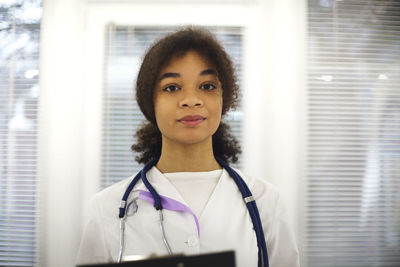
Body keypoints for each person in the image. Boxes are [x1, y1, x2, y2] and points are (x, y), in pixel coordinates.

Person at [76, 27, 300, 267]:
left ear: (223, 98)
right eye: (172, 87)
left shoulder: (266, 202)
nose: (192, 99)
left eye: (207, 86)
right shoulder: (106, 209)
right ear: (151, 102)